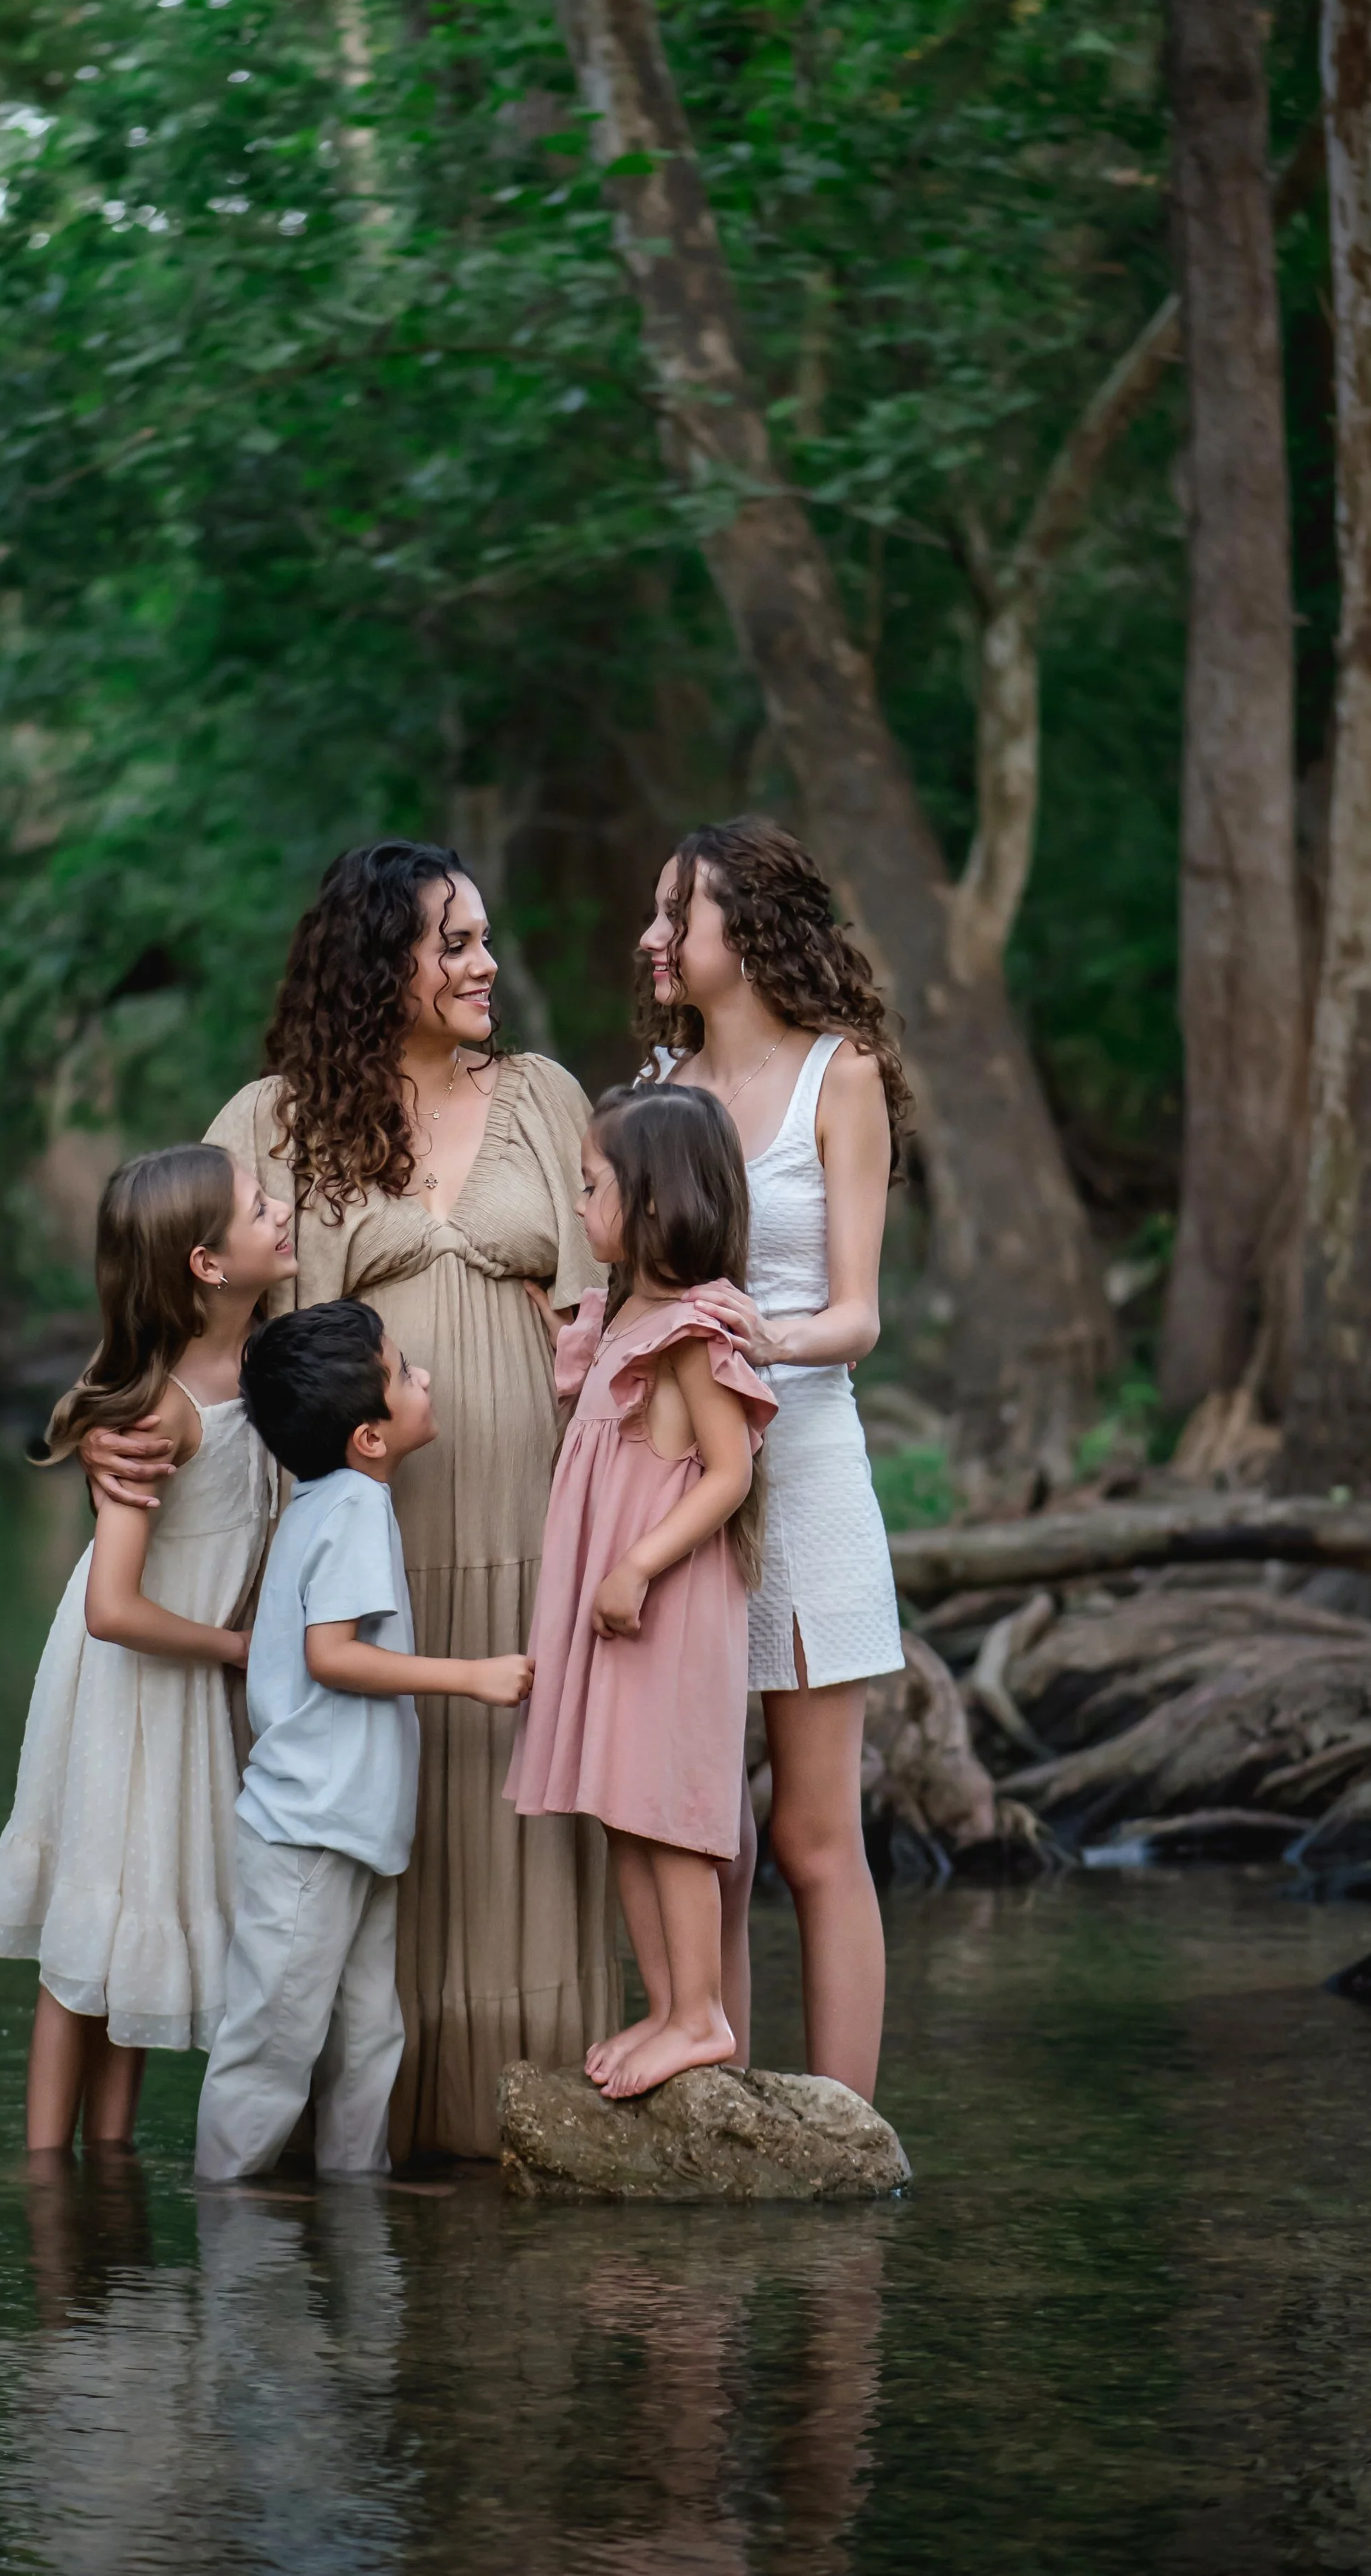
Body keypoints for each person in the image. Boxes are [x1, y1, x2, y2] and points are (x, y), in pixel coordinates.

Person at [81, 841, 618, 2159]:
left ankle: (522, 2119)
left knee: (515, 1804)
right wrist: (106, 1433)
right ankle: (343, 2173)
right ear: (384, 961)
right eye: (458, 943)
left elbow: (629, 1284)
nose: (488, 964)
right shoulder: (270, 1122)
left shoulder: (547, 1099)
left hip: (532, 1535)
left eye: (486, 938)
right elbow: (172, 1311)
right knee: (352, 1847)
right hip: (349, 1546)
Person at [639, 818, 907, 2104]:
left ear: (740, 932)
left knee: (811, 1838)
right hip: (685, 1492)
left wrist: (771, 1331)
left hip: (804, 1474)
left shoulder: (839, 1077)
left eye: (672, 914)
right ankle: (725, 2106)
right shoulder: (657, 1097)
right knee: (714, 1836)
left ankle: (845, 2131)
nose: (650, 938)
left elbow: (859, 1312)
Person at [0, 1145, 294, 2152]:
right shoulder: (163, 1409)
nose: (282, 1210)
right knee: (90, 1928)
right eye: (261, 1206)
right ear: (208, 1264)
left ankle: (111, 2169)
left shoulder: (257, 1359)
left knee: (143, 1916)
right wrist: (234, 1647)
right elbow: (111, 1607)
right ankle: (45, 2175)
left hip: (186, 1676)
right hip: (134, 1681)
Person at [197, 1301, 531, 2181]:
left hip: (348, 1829)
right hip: (311, 1831)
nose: (425, 1379)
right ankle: (226, 2224)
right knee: (272, 2043)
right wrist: (473, 1676)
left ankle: (356, 2211)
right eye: (405, 1372)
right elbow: (333, 1656)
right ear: (370, 1438)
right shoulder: (350, 1507)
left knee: (367, 2035)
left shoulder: (333, 1497)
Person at [508, 1085, 775, 2099]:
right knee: (622, 1808)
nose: (579, 1206)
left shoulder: (693, 1334)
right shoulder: (629, 1319)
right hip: (618, 1612)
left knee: (667, 1810)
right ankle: (666, 2007)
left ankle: (702, 2014)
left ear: (654, 1201)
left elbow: (728, 1472)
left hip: (662, 1605)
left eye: (591, 1186)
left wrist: (637, 1564)